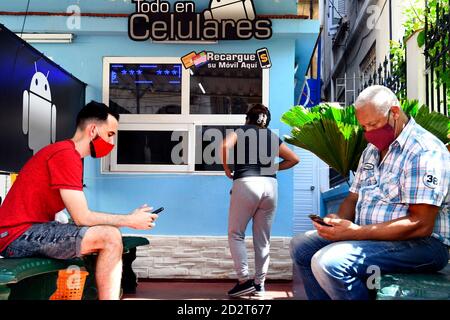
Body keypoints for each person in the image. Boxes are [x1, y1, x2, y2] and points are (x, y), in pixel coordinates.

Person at [290, 85, 450, 300]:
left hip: (423, 245)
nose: (369, 133)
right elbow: (353, 197)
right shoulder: (371, 151)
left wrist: (354, 232)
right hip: (371, 236)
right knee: (301, 247)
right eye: (364, 127)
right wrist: (337, 220)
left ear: (394, 112)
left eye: (373, 124)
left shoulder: (423, 150)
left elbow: (421, 224)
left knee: (330, 262)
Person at [0, 101, 158, 300]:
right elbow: (82, 216)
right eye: (110, 135)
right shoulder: (65, 154)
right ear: (92, 130)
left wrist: (126, 220)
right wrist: (130, 220)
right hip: (16, 236)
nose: (111, 143)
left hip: (28, 231)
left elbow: (76, 217)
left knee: (106, 235)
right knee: (109, 236)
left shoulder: (67, 154)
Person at [221, 104, 299, 297]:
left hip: (246, 183)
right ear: (266, 121)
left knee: (236, 233)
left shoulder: (241, 131)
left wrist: (227, 169)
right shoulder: (271, 136)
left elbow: (224, 145)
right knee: (262, 239)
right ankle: (259, 285)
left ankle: (243, 280)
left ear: (248, 118)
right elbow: (293, 159)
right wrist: (272, 169)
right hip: (270, 187)